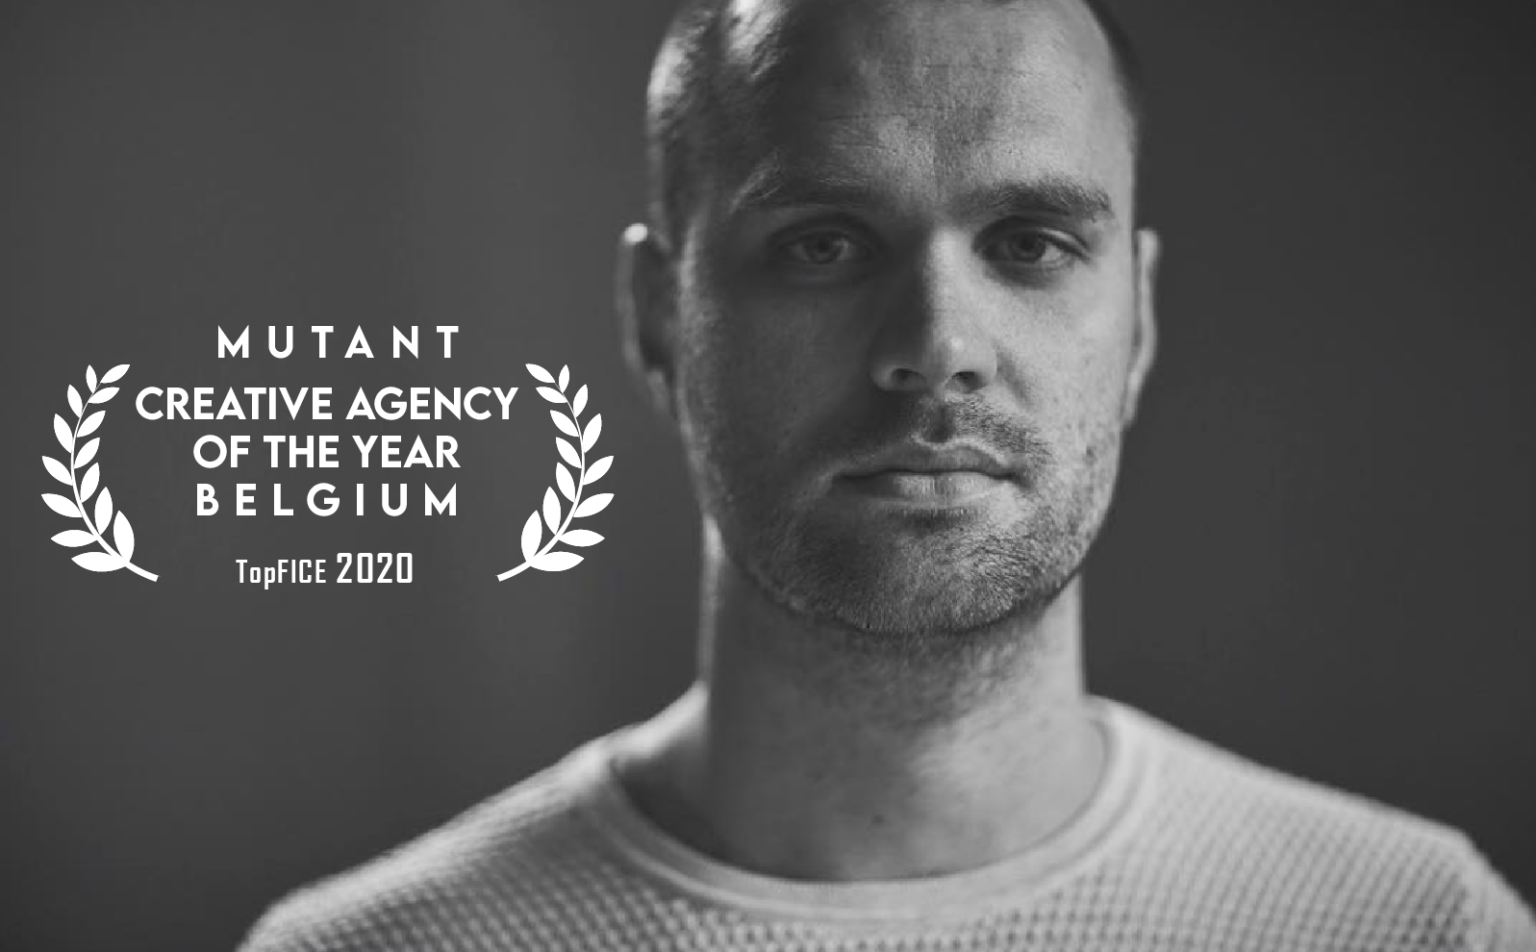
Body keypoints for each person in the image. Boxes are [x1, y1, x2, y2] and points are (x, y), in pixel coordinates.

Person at [241, 0, 1535, 949]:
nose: (936, 347)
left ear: (1137, 321)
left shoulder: (1415, 927)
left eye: (1029, 243)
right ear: (658, 318)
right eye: (823, 243)